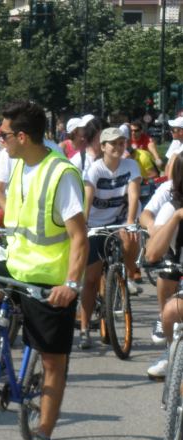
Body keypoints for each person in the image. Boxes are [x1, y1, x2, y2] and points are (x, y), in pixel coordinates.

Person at [0, 101, 88, 440]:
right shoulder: (16, 165)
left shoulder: (61, 174)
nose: (0, 139)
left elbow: (79, 237)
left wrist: (72, 284)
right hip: (15, 266)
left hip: (48, 279)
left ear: (22, 136)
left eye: (4, 134)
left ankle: (42, 437)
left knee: (53, 361)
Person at [77, 127, 141, 350]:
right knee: (92, 279)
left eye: (122, 143)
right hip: (95, 224)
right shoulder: (95, 170)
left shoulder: (131, 165)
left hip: (119, 219)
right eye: (113, 143)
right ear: (103, 146)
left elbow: (133, 193)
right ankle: (84, 329)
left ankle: (130, 274)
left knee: (131, 236)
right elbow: (86, 199)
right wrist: (83, 227)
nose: (118, 147)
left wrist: (130, 220)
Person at [144, 154, 183, 379]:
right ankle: (172, 353)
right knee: (169, 312)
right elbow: (151, 253)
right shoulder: (172, 207)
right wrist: (176, 218)